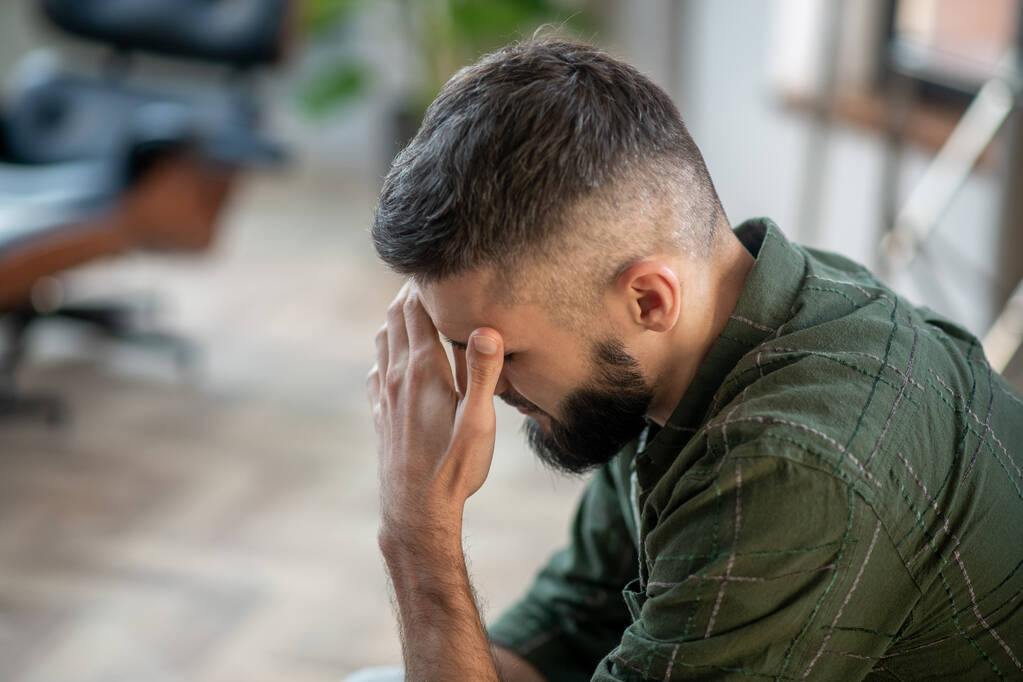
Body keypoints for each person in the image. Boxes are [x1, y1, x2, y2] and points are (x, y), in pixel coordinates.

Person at [362, 37, 1023, 681]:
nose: (480, 387)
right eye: (461, 349)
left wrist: (418, 537)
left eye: (500, 352)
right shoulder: (686, 342)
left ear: (650, 299)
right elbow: (571, 624)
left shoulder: (791, 467)